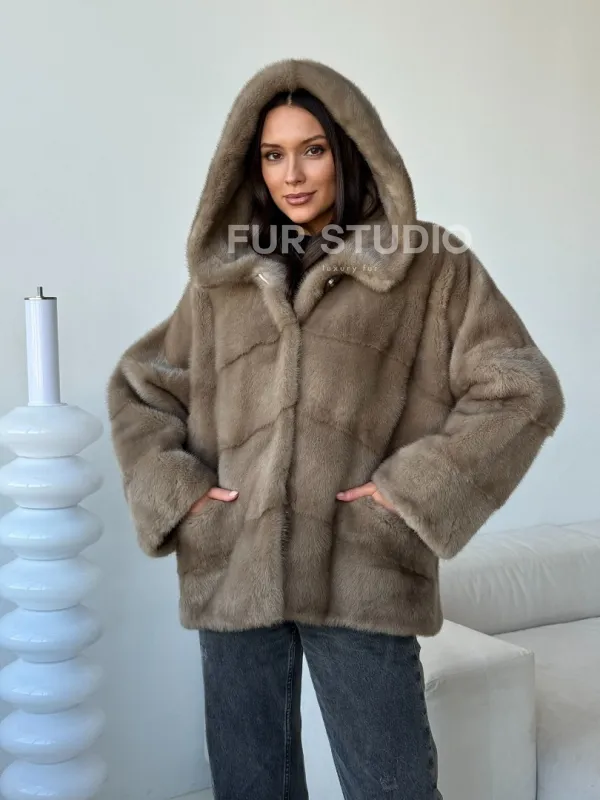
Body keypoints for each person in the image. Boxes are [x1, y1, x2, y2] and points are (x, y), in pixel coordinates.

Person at [106, 58, 565, 799]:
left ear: (350, 150)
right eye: (273, 154)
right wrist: (182, 495)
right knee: (250, 788)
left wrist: (410, 492)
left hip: (361, 572)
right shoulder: (226, 278)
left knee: (392, 787)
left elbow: (522, 388)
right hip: (235, 574)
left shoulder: (429, 265)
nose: (292, 174)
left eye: (312, 150)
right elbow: (144, 387)